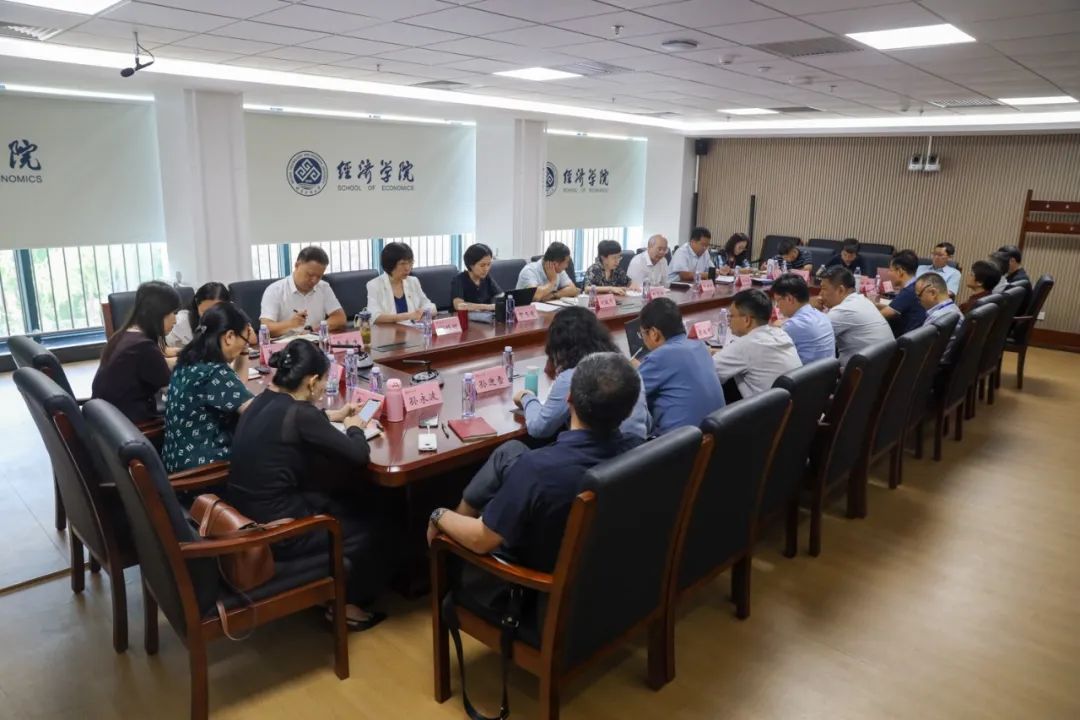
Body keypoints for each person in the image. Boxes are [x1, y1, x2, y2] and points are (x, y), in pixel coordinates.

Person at [427, 352, 643, 578]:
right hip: (604, 570)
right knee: (510, 451)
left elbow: (480, 540)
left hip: (531, 580)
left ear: (568, 398)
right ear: (629, 410)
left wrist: (438, 515)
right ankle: (464, 514)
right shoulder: (638, 450)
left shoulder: (537, 469)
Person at [228, 339, 387, 631]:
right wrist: (355, 427)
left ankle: (333, 587)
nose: (324, 388)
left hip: (246, 516)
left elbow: (297, 420)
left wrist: (335, 415)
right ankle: (346, 605)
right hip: (280, 531)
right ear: (312, 381)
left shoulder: (261, 400)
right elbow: (357, 455)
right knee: (369, 524)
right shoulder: (301, 414)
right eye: (324, 381)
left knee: (343, 497)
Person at [513, 307, 651, 441]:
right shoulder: (626, 367)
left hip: (605, 453)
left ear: (559, 344)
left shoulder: (575, 377)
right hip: (639, 449)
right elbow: (647, 421)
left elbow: (539, 428)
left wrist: (526, 397)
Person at [161, 303, 256, 473]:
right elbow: (258, 414)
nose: (244, 344)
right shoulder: (214, 373)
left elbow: (236, 385)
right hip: (202, 471)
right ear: (229, 337)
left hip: (176, 462)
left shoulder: (189, 359)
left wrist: (243, 348)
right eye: (244, 339)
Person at [91, 280, 179, 424]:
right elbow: (172, 390)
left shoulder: (124, 335)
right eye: (172, 313)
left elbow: (152, 366)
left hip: (105, 421)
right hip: (130, 426)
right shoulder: (145, 346)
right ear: (157, 313)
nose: (175, 320)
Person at [635, 297, 726, 434]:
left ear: (654, 333)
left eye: (642, 334)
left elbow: (628, 393)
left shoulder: (660, 357)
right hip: (716, 436)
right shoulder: (700, 346)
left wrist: (632, 369)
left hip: (680, 443)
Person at [712, 289, 802, 400]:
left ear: (747, 320)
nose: (728, 320)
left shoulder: (745, 345)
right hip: (793, 405)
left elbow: (708, 373)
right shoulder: (781, 334)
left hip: (767, 409)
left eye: (731, 316)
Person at [813, 266, 893, 367]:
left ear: (840, 290)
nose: (820, 293)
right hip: (881, 368)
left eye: (824, 288)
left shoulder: (844, 310)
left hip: (859, 373)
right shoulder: (862, 300)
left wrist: (812, 309)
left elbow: (812, 336)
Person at [259, 246, 346, 338]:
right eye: (310, 275)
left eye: (319, 276)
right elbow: (266, 327)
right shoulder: (274, 290)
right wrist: (291, 324)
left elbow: (340, 318)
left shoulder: (323, 287)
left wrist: (314, 329)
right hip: (287, 344)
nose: (314, 280)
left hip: (315, 341)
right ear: (297, 265)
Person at [772, 273, 836, 364]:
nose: (777, 306)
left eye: (778, 300)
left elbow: (768, 348)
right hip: (828, 372)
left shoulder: (793, 325)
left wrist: (774, 328)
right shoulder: (822, 316)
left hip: (806, 373)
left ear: (789, 299)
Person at [366, 242, 436, 324]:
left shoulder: (413, 281)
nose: (407, 268)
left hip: (412, 329)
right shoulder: (374, 285)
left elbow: (430, 306)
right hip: (389, 331)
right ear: (390, 265)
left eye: (410, 262)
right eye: (402, 263)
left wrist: (425, 312)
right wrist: (409, 316)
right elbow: (374, 316)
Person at [916, 272, 963, 362]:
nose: (919, 301)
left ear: (933, 293)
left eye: (919, 296)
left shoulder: (936, 319)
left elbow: (920, 351)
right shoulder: (954, 309)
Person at [166, 281, 230, 349]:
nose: (211, 317)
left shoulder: (231, 319)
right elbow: (164, 349)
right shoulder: (181, 322)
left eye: (216, 312)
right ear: (197, 303)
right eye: (206, 312)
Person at [880, 250, 927, 336]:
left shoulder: (909, 292)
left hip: (905, 339)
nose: (888, 273)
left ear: (900, 271)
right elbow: (894, 307)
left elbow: (882, 315)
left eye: (890, 270)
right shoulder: (915, 285)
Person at [451, 243, 501, 312]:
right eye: (482, 265)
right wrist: (488, 307)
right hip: (465, 317)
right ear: (471, 265)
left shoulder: (487, 278)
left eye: (489, 264)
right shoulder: (459, 280)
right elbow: (459, 305)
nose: (486, 269)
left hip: (485, 316)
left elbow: (500, 295)